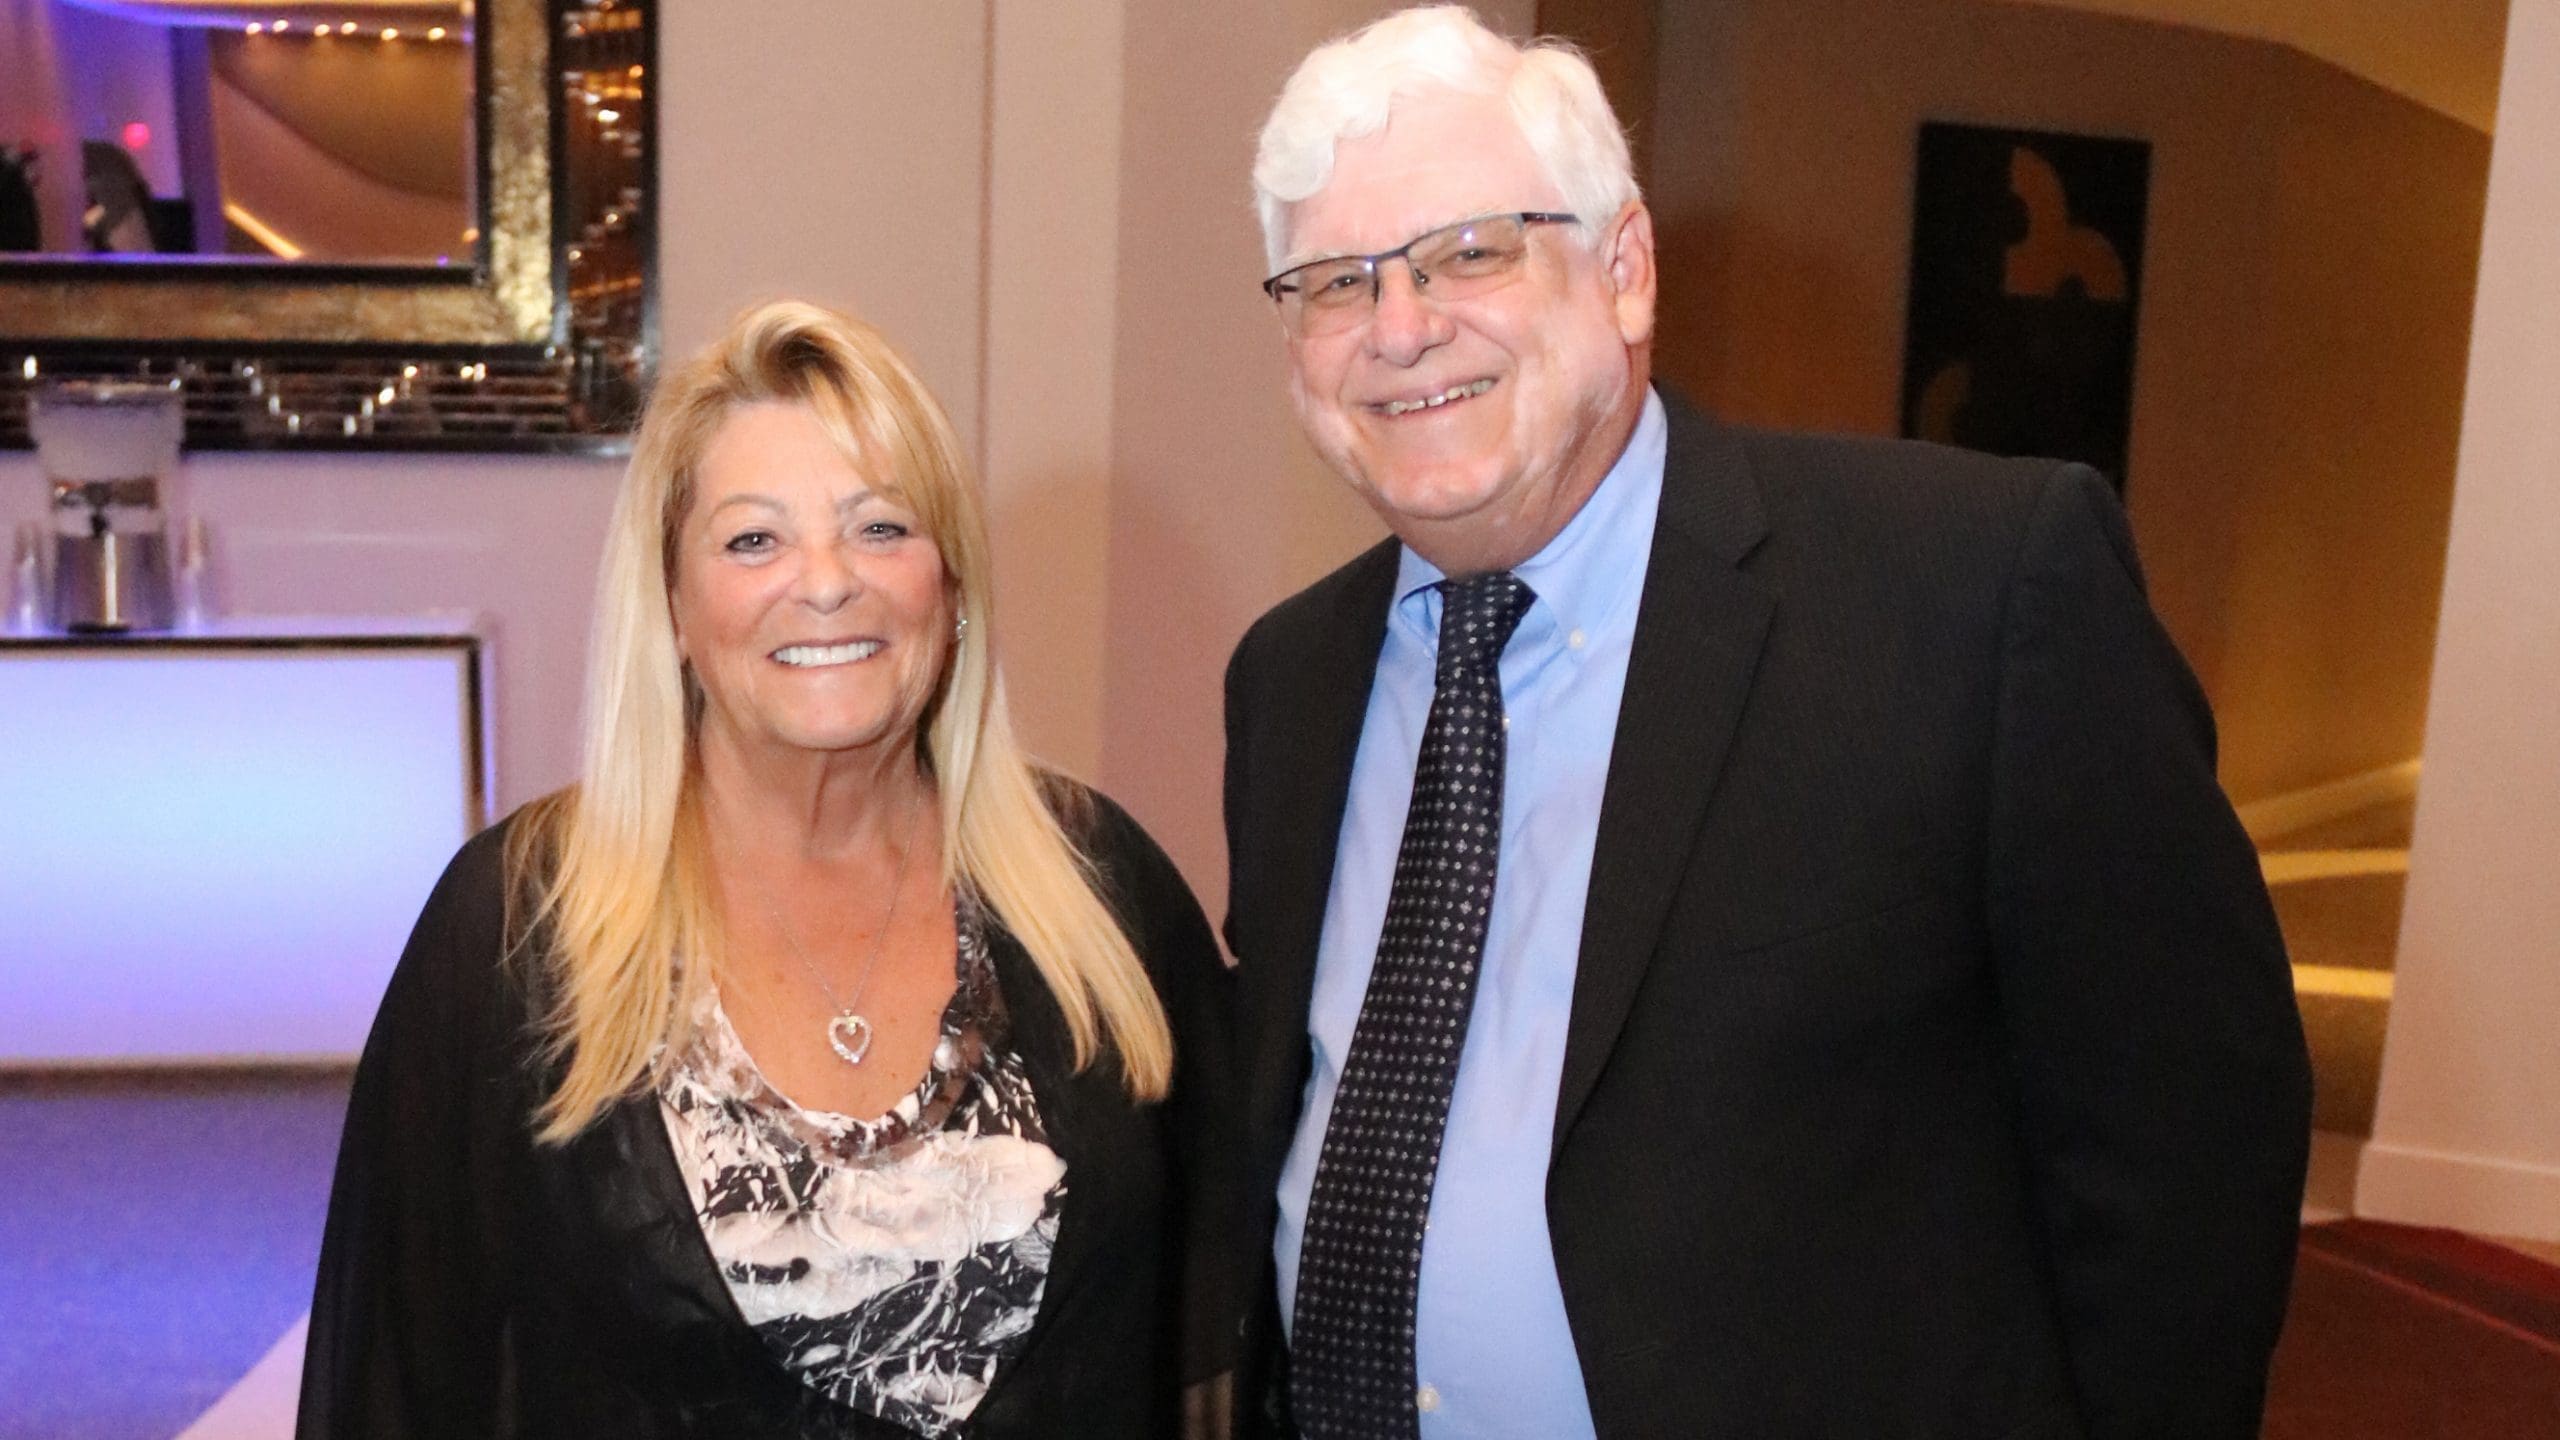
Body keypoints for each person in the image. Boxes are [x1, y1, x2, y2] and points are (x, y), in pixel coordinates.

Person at [1220, 9, 2311, 1439]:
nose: (1401, 327)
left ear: (1624, 269)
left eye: (1469, 252)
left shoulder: (1972, 595)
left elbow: (2189, 1156)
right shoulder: (1290, 682)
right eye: (1333, 283)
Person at [299, 300, 1235, 1438]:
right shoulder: (519, 925)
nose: (827, 582)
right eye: (754, 540)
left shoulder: (1096, 887)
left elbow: (1223, 1342)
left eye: (881, 527)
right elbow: (397, 1386)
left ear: (951, 586)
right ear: (674, 606)